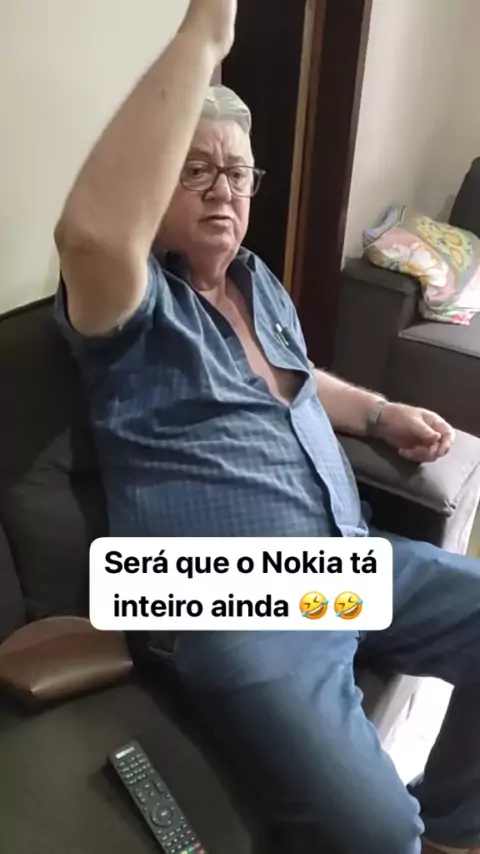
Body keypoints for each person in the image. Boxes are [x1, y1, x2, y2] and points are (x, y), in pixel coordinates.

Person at [53, 1, 480, 852]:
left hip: (338, 559)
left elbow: (294, 380)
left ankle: (455, 829)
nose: (224, 190)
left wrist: (380, 413)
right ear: (156, 186)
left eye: (239, 173)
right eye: (196, 170)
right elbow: (94, 234)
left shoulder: (256, 280)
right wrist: (206, 34)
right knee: (374, 830)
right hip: (223, 589)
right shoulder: (131, 305)